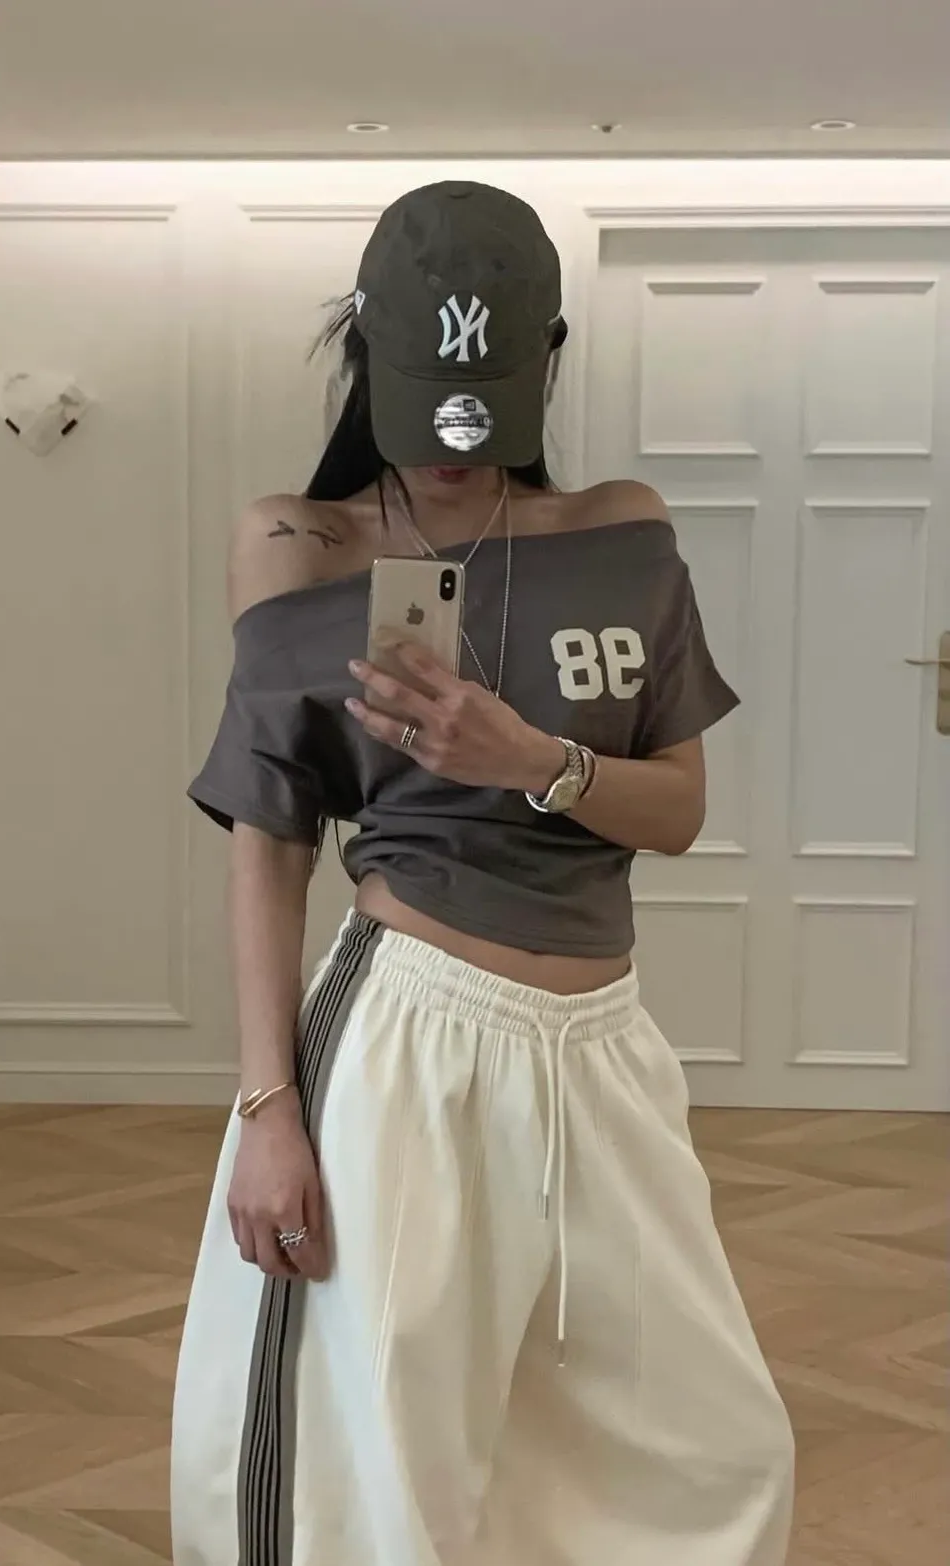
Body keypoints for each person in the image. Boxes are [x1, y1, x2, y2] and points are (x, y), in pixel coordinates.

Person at [171, 180, 795, 1566]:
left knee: (704, 1446)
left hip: (602, 1048)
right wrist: (269, 1110)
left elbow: (678, 811)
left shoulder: (621, 530)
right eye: (424, 405)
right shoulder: (298, 542)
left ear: (544, 362)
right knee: (380, 1458)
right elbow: (270, 843)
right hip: (404, 1037)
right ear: (365, 351)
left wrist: (533, 759)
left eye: (483, 411)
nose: (451, 452)